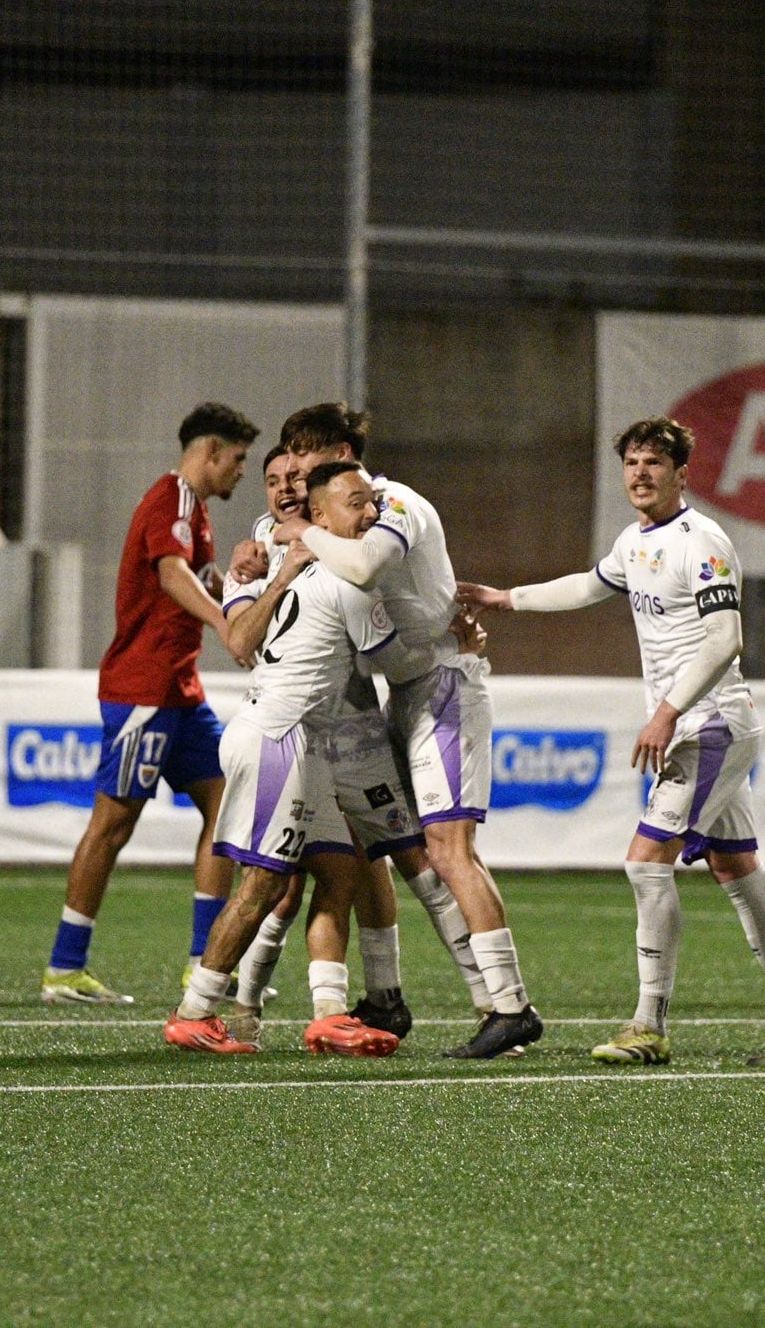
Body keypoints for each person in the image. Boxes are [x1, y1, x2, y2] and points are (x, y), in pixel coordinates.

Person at [459, 417, 765, 1067]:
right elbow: (589, 585)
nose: (639, 473)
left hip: (710, 723)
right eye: (631, 462)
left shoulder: (703, 541)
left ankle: (648, 1025)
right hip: (696, 724)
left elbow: (725, 639)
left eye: (654, 463)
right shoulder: (636, 542)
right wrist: (506, 598)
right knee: (737, 867)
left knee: (644, 859)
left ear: (681, 474)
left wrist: (665, 713)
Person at [272, 403, 542, 1060]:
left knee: (449, 851)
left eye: (305, 457)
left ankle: (509, 1005)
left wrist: (303, 538)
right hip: (407, 689)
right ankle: (391, 997)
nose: (295, 473)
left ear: (337, 453)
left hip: (445, 685)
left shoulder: (391, 504)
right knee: (391, 846)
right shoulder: (324, 521)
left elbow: (364, 568)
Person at [221, 441, 493, 1046]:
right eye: (274, 479)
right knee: (288, 881)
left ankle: (468, 1002)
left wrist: (445, 625)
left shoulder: (362, 529)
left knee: (408, 859)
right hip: (291, 731)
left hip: (356, 727)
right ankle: (244, 1006)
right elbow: (240, 641)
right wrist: (255, 569)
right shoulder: (260, 547)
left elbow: (388, 592)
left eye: (296, 475)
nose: (286, 487)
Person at [165, 460, 404, 1057]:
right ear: (320, 517)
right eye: (357, 504)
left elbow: (242, 640)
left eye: (373, 502)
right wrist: (457, 638)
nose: (372, 514)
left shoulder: (294, 566)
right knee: (264, 884)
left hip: (294, 737)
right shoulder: (347, 580)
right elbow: (396, 664)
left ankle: (329, 1012)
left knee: (340, 869)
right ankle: (197, 1011)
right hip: (282, 736)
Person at [40, 402, 258, 1005]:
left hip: (181, 692)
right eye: (238, 459)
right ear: (210, 451)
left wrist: (243, 589)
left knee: (227, 806)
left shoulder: (199, 514)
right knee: (113, 825)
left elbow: (200, 576)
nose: (243, 471)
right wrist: (224, 623)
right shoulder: (172, 499)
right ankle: (64, 968)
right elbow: (170, 575)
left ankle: (203, 963)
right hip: (144, 691)